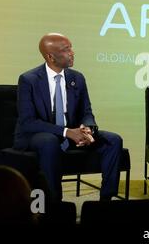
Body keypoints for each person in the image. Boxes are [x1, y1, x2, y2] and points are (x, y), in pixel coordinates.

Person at [14, 33, 123, 202]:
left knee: (113, 140)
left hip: (71, 133)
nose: (72, 52)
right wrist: (66, 132)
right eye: (66, 50)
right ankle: (54, 204)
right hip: (37, 136)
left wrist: (88, 129)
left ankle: (106, 201)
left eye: (71, 48)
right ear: (50, 56)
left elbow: (86, 112)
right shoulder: (29, 80)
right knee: (49, 141)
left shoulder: (77, 78)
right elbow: (28, 122)